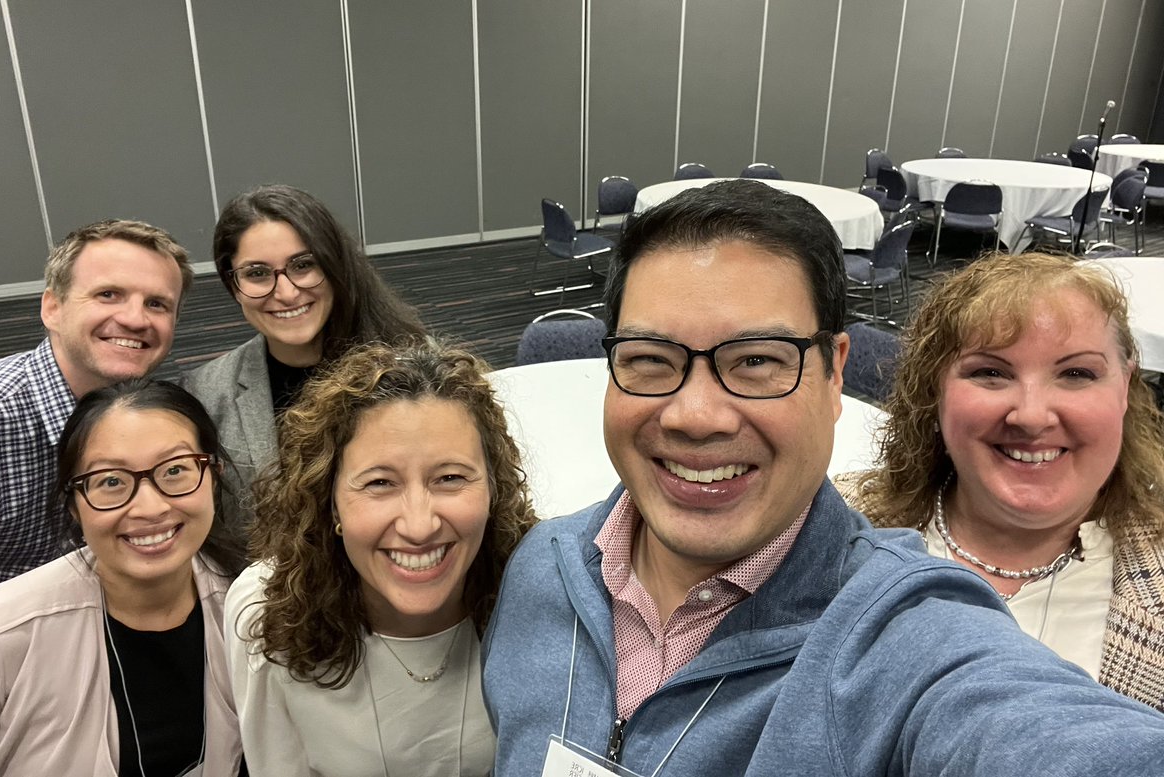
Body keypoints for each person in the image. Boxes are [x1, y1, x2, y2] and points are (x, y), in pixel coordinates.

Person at [481, 179, 1164, 777]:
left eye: (756, 360)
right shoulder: (541, 567)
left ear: (836, 371)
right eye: (650, 357)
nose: (695, 415)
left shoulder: (899, 639)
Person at [850, 251, 1164, 710]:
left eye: (1077, 373)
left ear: (1124, 389)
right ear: (934, 392)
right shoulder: (828, 526)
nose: (1032, 417)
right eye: (990, 373)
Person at [225, 340, 535, 777]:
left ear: (494, 490)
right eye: (379, 483)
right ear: (330, 502)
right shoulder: (266, 609)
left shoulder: (543, 596)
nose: (419, 525)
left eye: (449, 478)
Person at [0, 379, 247, 775]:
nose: (150, 507)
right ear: (75, 506)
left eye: (176, 470)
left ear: (213, 478)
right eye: (111, 481)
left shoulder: (251, 611)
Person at [0, 220, 191, 604]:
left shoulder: (161, 412)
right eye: (108, 294)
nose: (136, 319)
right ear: (52, 307)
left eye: (157, 304)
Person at [182, 184, 425, 527]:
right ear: (232, 285)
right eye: (256, 273)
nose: (285, 292)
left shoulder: (415, 366)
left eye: (303, 265)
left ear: (334, 265)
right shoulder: (205, 393)